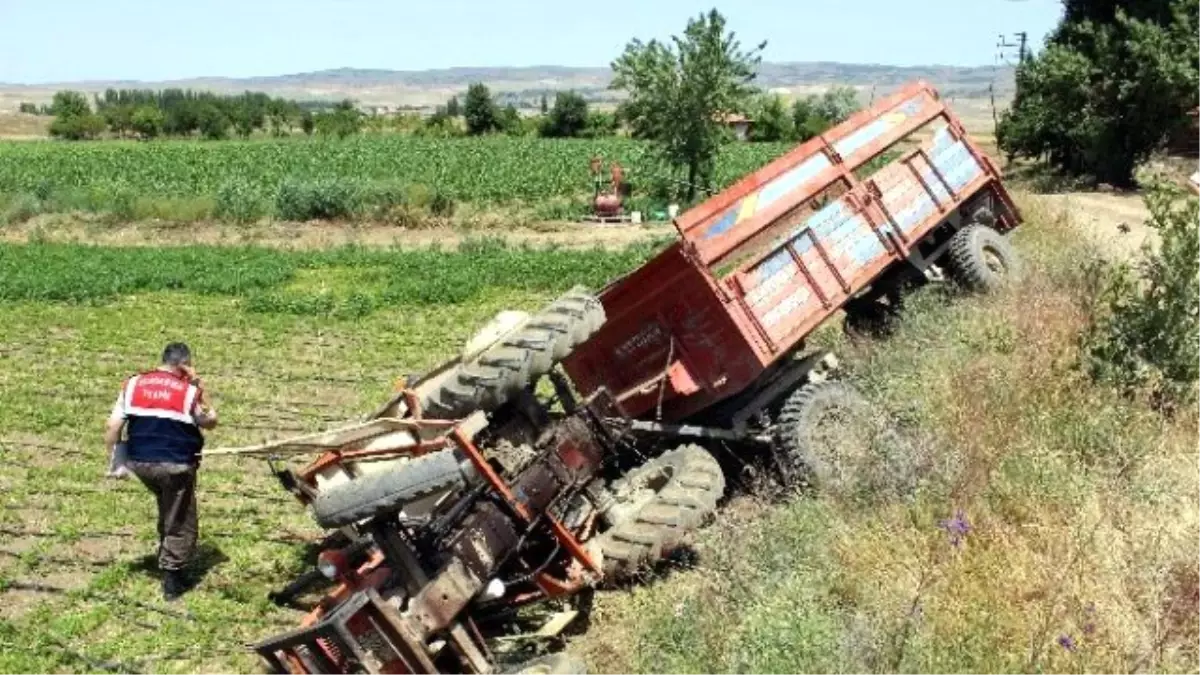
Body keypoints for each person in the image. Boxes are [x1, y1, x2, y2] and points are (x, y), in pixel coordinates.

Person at [103, 342, 218, 601]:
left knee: (167, 505)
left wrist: (116, 462)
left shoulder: (133, 384)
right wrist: (200, 386)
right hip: (176, 465)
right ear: (185, 365)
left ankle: (165, 553)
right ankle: (172, 576)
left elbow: (112, 427)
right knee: (181, 518)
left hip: (141, 464)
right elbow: (210, 422)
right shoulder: (188, 391)